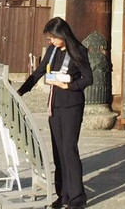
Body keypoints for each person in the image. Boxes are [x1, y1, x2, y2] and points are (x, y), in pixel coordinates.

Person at [18, 17, 93, 209]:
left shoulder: (78, 50)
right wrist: (21, 91)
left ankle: (77, 198)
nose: (50, 41)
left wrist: (68, 85)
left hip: (72, 106)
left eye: (53, 37)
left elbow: (88, 78)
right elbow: (40, 72)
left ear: (62, 35)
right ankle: (64, 195)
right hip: (55, 106)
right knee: (58, 152)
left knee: (69, 150)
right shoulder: (52, 51)